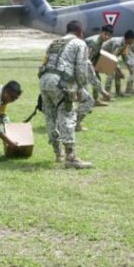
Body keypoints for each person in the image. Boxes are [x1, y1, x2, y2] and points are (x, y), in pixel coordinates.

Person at [38, 20, 93, 168]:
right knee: (67, 114)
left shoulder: (54, 42)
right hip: (61, 82)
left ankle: (58, 153)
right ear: (80, 32)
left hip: (44, 80)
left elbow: (45, 62)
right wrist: (80, 88)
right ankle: (71, 157)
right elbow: (81, 68)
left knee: (50, 116)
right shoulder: (79, 43)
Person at [101, 30, 134, 96]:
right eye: (133, 40)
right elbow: (113, 58)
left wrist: (129, 67)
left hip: (110, 56)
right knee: (111, 73)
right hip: (103, 55)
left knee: (117, 72)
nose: (133, 41)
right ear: (129, 39)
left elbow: (124, 56)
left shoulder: (127, 44)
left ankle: (118, 92)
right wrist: (119, 71)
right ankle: (106, 94)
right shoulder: (118, 43)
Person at [84, 25, 113, 106]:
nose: (107, 37)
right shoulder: (95, 42)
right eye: (105, 34)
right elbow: (87, 57)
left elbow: (96, 55)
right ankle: (84, 102)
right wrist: (92, 67)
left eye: (109, 35)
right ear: (101, 32)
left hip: (88, 62)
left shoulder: (100, 41)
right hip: (82, 63)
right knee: (85, 83)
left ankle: (95, 100)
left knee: (97, 78)